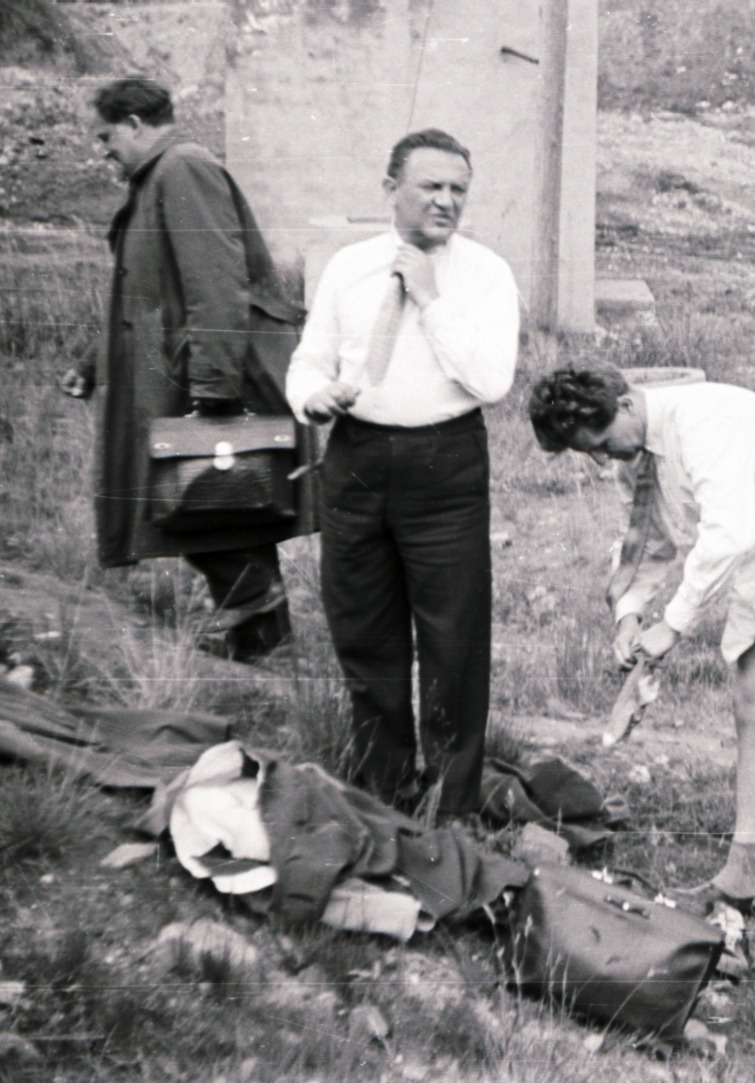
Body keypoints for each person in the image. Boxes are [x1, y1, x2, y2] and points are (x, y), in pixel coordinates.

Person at [527, 365, 755, 911]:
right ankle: (743, 874)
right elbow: (648, 541)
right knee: (751, 701)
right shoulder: (635, 458)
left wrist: (672, 623)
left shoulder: (704, 421)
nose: (605, 461)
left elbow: (729, 532)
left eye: (604, 445)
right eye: (591, 454)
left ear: (626, 404)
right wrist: (629, 613)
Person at [285, 128, 519, 820]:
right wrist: (310, 398)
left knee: (453, 636)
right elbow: (308, 360)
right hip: (356, 460)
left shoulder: (484, 275)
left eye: (458, 190)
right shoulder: (348, 268)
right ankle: (382, 790)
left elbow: (491, 379)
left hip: (443, 463)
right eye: (431, 187)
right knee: (364, 627)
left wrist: (430, 298)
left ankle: (450, 807)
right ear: (391, 191)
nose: (446, 202)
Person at [62, 76, 313, 662]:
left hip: (199, 373)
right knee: (213, 503)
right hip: (176, 372)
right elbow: (141, 295)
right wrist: (92, 364)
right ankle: (261, 636)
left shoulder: (184, 170)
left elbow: (216, 284)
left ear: (134, 124)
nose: (103, 150)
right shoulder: (161, 176)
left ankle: (262, 630)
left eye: (106, 136)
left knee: (205, 499)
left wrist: (215, 386)